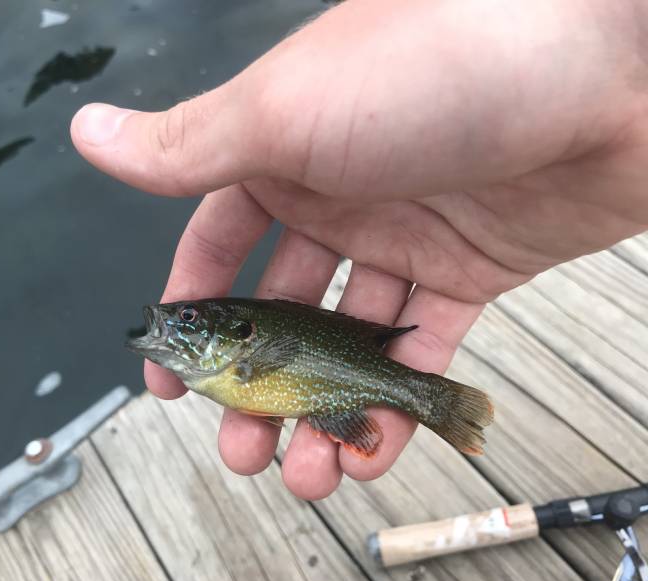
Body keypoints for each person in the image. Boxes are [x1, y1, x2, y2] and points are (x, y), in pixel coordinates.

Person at [70, 0, 648, 500]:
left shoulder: (236, 362)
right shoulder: (228, 365)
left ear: (238, 337)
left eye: (189, 318)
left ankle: (431, 400)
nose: (175, 320)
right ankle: (425, 399)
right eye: (184, 318)